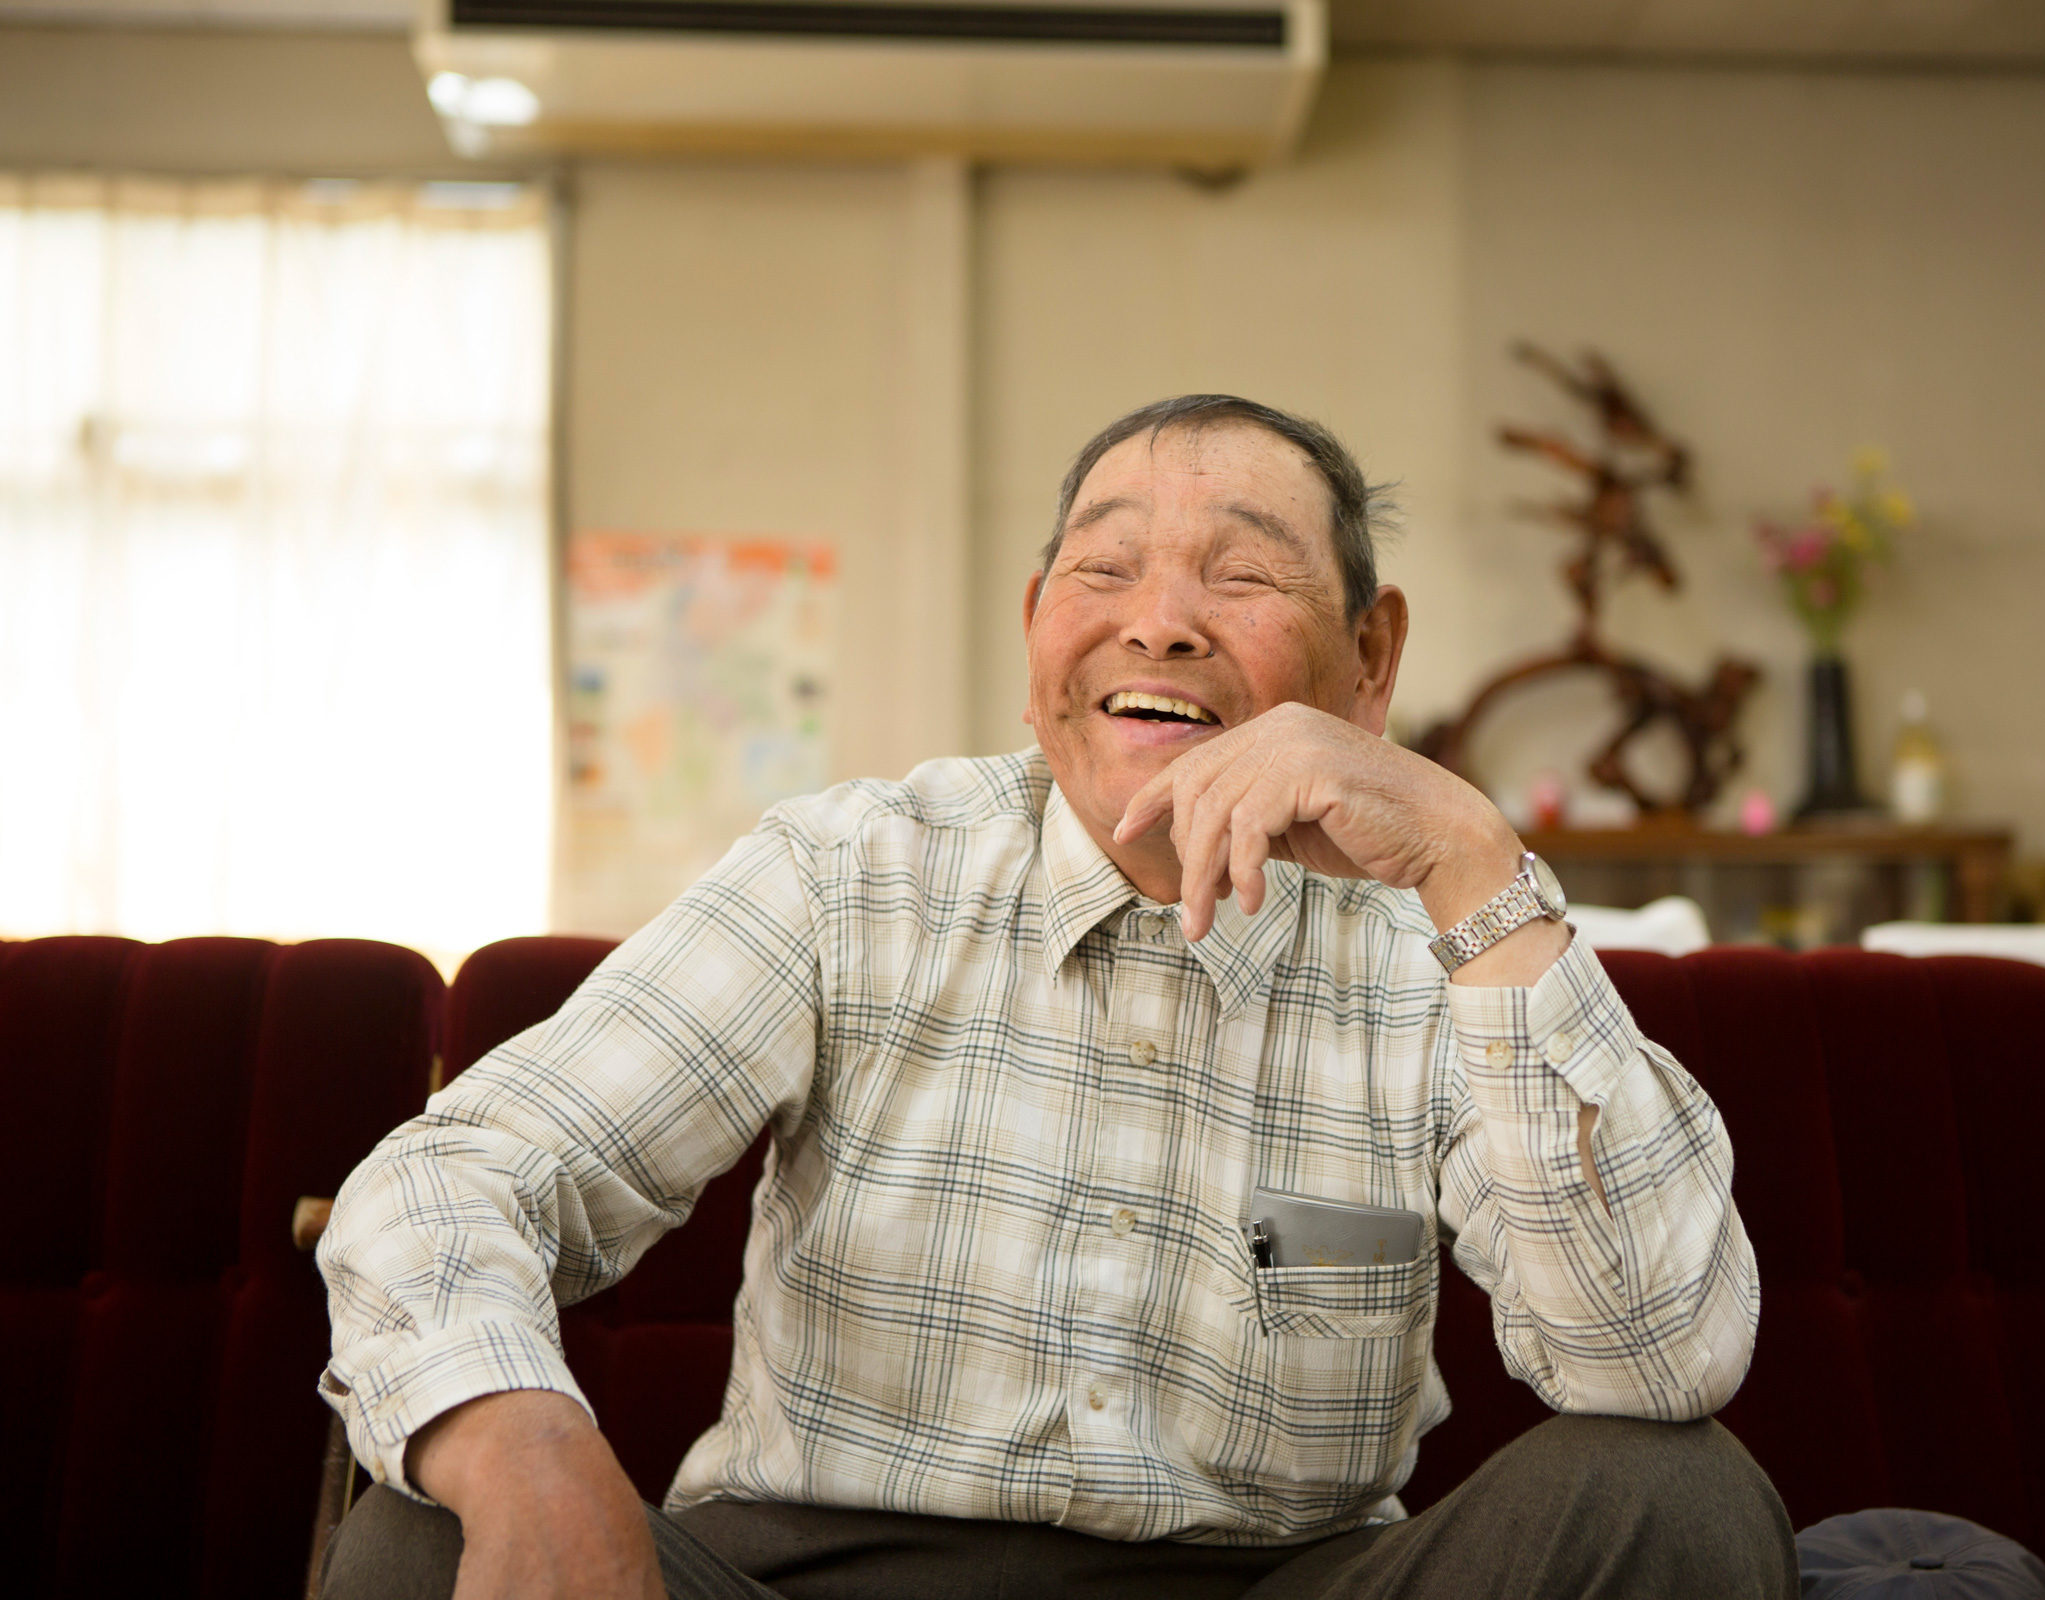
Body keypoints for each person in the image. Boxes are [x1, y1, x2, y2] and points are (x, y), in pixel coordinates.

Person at [315, 395, 1794, 1600]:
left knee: (1670, 1502)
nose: (1157, 623)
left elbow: (1659, 1359)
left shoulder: (1442, 952)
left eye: (1243, 573)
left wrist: (1477, 863)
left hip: (1273, 1582)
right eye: (1104, 571)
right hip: (822, 1582)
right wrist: (524, 1443)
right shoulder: (851, 875)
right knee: (420, 1543)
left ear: (1371, 660)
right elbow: (457, 1180)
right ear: (1038, 639)